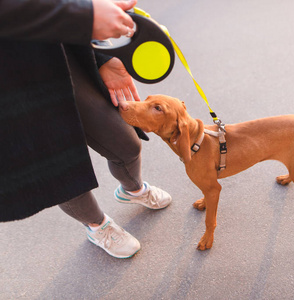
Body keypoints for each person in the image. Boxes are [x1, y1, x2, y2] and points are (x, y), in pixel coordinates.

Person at [0, 0, 171, 258]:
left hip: (57, 54)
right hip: (10, 86)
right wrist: (84, 14)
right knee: (61, 173)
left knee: (125, 144)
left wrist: (101, 55)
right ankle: (97, 226)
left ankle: (133, 190)